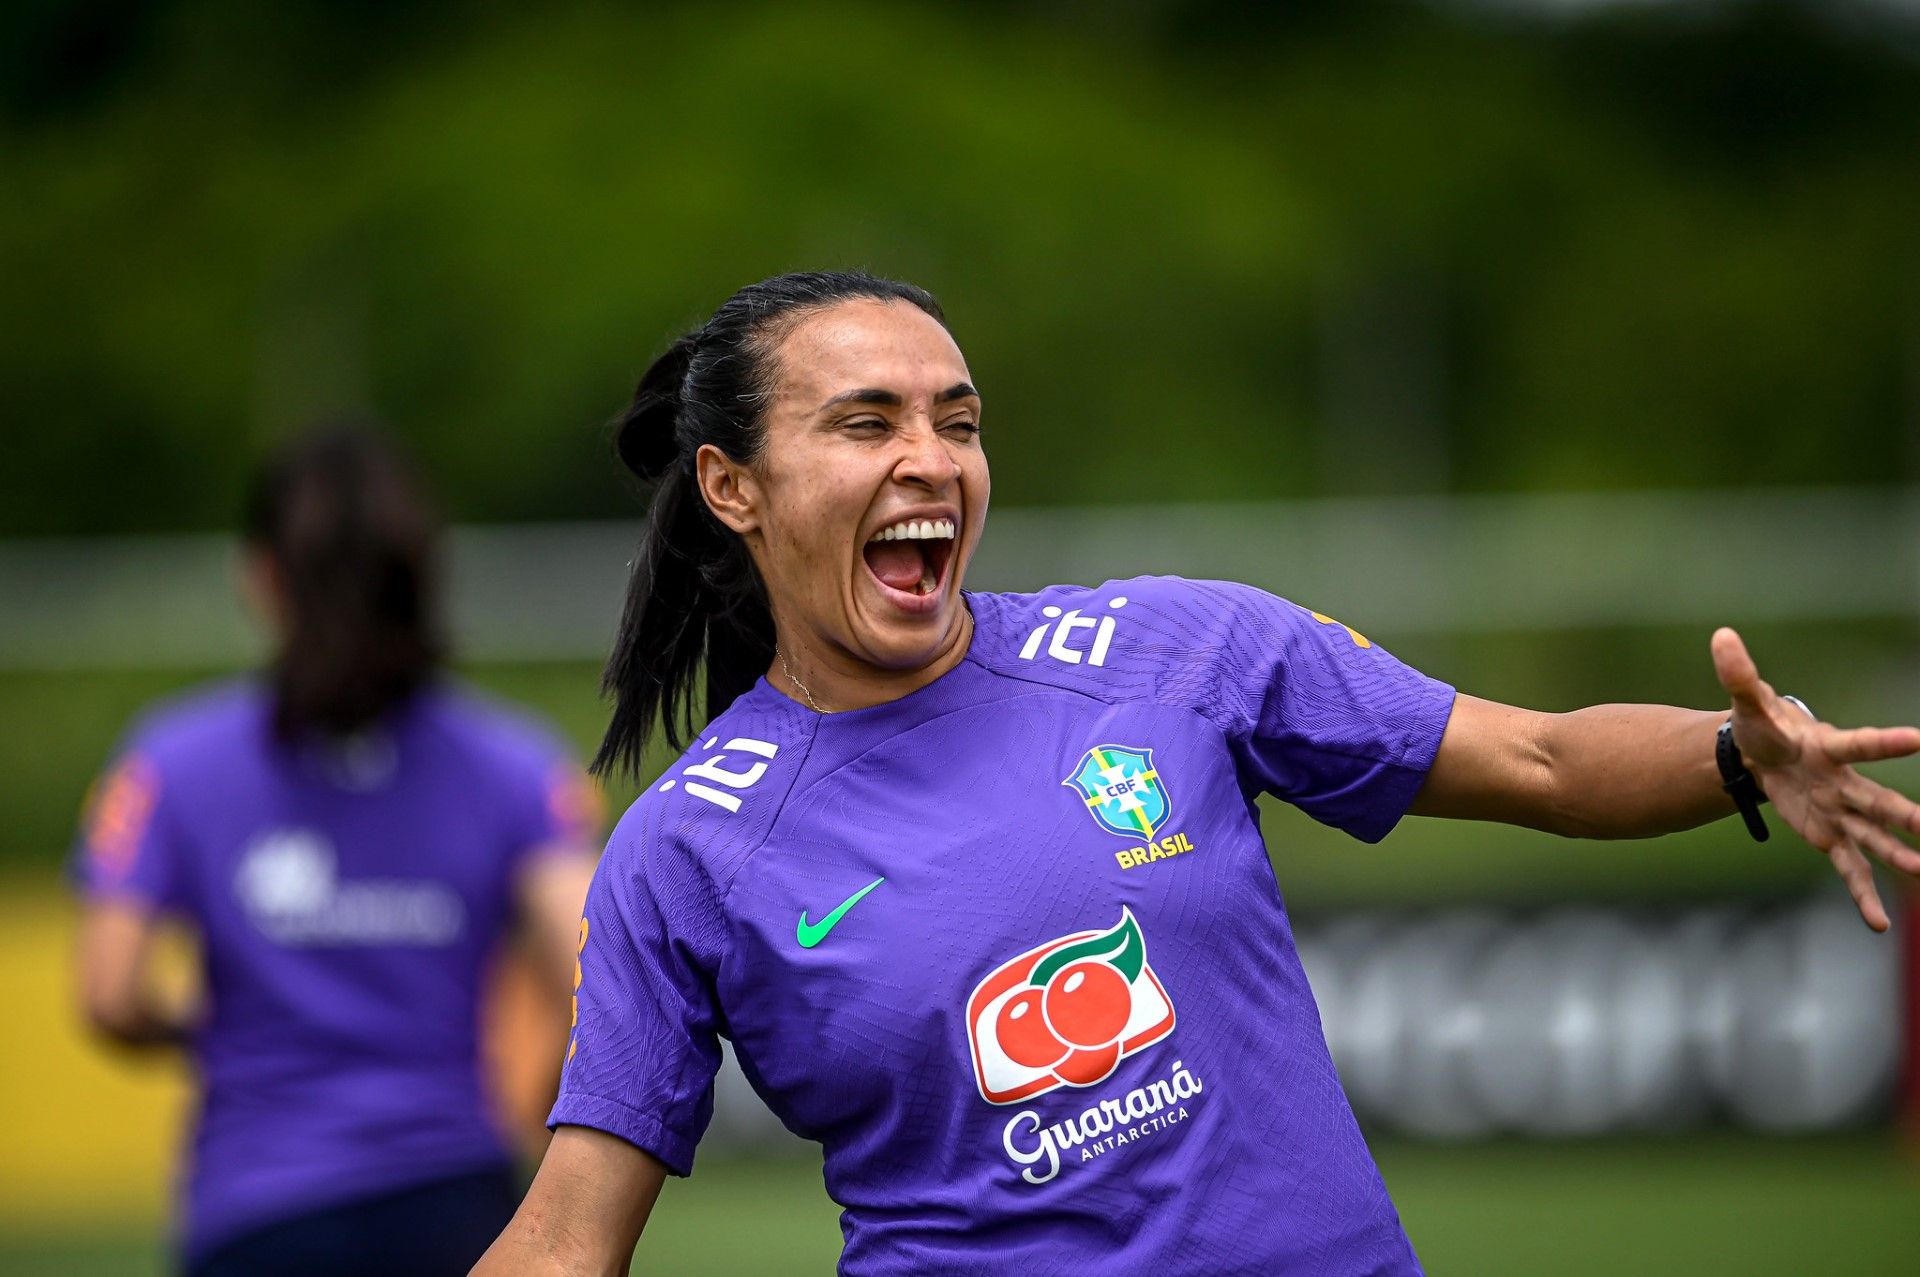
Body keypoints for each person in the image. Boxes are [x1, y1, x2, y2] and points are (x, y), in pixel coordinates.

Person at [473, 272, 1920, 1275]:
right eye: (867, 422)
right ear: (734, 487)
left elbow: (1540, 757)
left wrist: (1734, 754)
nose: (932, 459)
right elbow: (574, 1233)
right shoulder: (689, 849)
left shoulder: (1174, 650)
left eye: (958, 422)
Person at [73, 426, 601, 1277]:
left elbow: (108, 994)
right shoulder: (514, 763)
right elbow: (594, 971)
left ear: (261, 575)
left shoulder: (170, 759)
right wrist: (520, 1113)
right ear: (425, 578)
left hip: (257, 1209)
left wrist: (203, 1030)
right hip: (454, 1198)